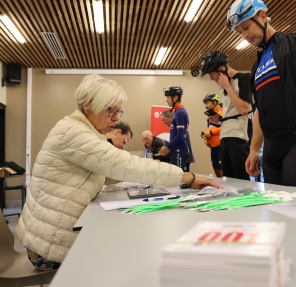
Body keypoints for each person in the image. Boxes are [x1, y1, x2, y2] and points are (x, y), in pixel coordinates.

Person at [15, 75, 218, 270]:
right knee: (134, 251)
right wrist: (188, 178)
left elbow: (110, 171)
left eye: (119, 111)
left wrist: (144, 180)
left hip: (51, 235)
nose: (115, 118)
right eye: (110, 110)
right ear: (88, 105)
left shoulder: (82, 130)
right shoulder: (74, 133)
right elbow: (126, 166)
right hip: (48, 247)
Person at [224, 0, 296, 188]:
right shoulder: (255, 68)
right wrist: (254, 149)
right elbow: (260, 111)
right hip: (271, 150)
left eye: (246, 27)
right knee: (277, 210)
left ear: (262, 16)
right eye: (239, 31)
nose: (244, 36)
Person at [200, 50, 253, 180]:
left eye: (211, 74)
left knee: (241, 182)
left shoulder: (244, 78)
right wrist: (219, 120)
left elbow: (244, 109)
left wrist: (228, 87)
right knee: (229, 181)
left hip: (239, 137)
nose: (211, 78)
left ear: (222, 69)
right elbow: (233, 111)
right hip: (225, 136)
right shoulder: (223, 88)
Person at [159, 87, 190, 171]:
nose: (166, 100)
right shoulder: (177, 112)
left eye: (168, 97)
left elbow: (180, 135)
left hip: (179, 150)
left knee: (179, 178)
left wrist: (167, 148)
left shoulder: (180, 112)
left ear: (175, 97)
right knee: (176, 177)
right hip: (176, 149)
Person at [202, 94, 224, 177]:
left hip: (220, 147)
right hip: (213, 148)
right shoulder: (210, 116)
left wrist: (212, 132)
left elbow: (225, 128)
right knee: (217, 174)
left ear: (215, 102)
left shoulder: (221, 113)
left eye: (207, 103)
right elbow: (209, 129)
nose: (205, 106)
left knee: (223, 175)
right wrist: (206, 140)